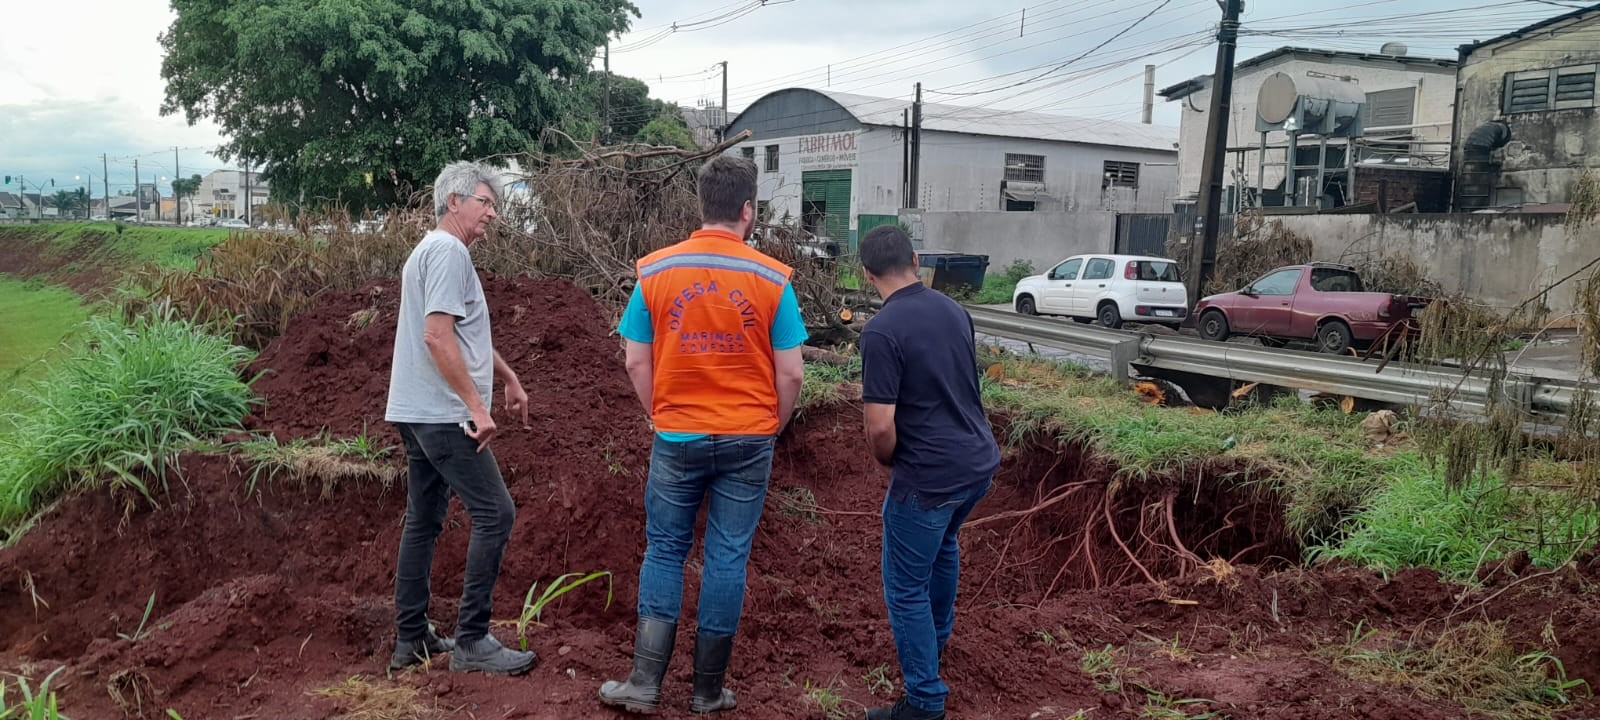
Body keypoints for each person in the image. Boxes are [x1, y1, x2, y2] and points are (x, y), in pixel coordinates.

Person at [599, 155, 808, 714]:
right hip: (749, 438)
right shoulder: (771, 278)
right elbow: (790, 372)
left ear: (701, 206)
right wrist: (773, 425)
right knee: (727, 558)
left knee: (665, 551)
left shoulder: (655, 272)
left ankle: (644, 685)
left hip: (677, 436)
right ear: (748, 210)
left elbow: (634, 362)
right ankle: (707, 691)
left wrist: (659, 414)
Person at [384, 160, 536, 675]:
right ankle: (472, 639)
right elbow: (436, 335)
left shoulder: (429, 250)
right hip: (443, 415)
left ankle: (410, 640)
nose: (492, 213)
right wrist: (476, 406)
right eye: (485, 202)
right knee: (498, 512)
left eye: (494, 204)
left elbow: (463, 334)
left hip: (415, 410)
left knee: (423, 521)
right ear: (454, 202)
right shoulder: (449, 252)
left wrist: (509, 378)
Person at [857, 225, 1000, 720]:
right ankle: (935, 646)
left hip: (930, 476)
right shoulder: (953, 310)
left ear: (866, 274)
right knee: (943, 549)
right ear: (916, 260)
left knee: (904, 586)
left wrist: (889, 461)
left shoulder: (880, 331)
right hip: (977, 463)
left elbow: (879, 428)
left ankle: (924, 700)